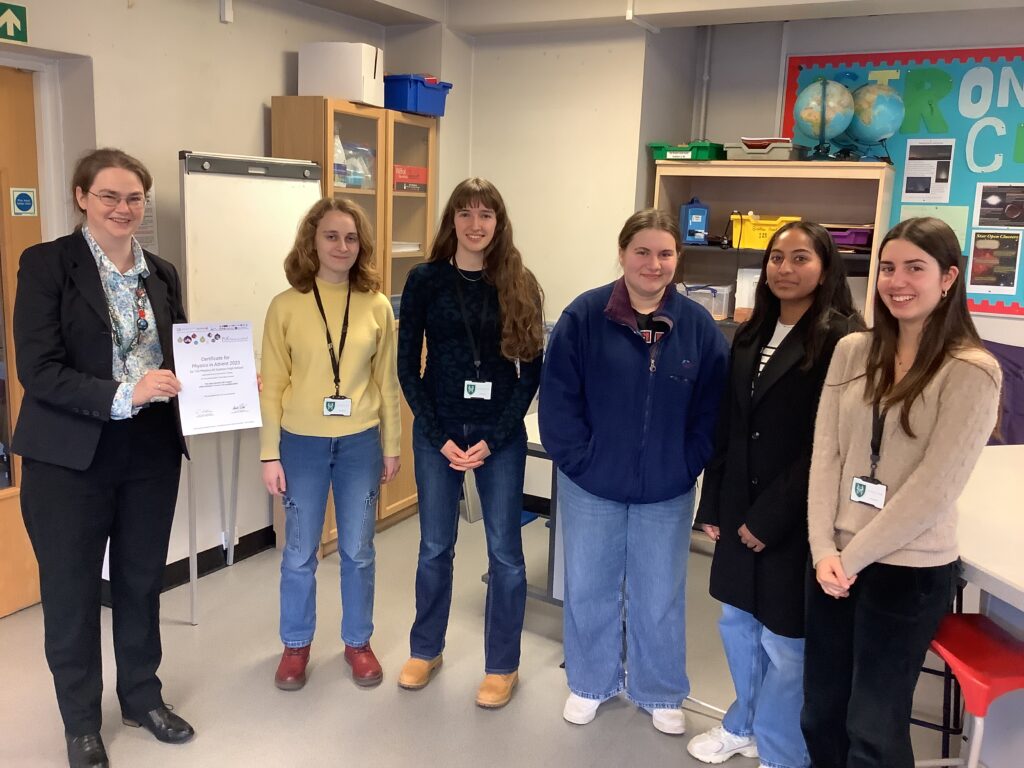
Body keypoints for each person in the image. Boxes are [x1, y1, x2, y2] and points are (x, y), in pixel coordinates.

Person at [13, 148, 194, 768]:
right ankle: (81, 723)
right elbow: (38, 371)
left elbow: (178, 350)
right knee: (71, 592)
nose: (124, 208)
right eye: (110, 196)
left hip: (149, 450)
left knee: (143, 583)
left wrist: (212, 379)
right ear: (82, 197)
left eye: (134, 198)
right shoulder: (45, 266)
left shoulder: (161, 272)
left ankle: (143, 697)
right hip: (68, 456)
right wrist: (125, 392)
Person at [802, 217, 1002, 768]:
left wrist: (850, 558)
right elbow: (827, 455)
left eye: (916, 267)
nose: (897, 280)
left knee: (872, 726)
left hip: (907, 569)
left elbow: (933, 491)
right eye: (887, 267)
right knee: (820, 713)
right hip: (830, 564)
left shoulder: (971, 371)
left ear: (948, 278)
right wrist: (823, 551)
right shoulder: (852, 351)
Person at [539, 208, 729, 733]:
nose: (653, 263)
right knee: (590, 586)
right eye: (642, 251)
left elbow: (713, 411)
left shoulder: (697, 327)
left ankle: (659, 689)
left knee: (660, 591)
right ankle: (590, 682)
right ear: (622, 254)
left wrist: (686, 464)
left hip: (666, 489)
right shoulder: (584, 317)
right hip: (592, 485)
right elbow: (557, 401)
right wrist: (580, 461)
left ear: (677, 258)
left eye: (665, 253)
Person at [687, 222, 863, 767]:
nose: (785, 269)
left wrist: (770, 519)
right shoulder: (749, 332)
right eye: (776, 258)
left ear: (826, 267)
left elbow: (830, 446)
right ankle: (742, 722)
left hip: (799, 518)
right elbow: (729, 424)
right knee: (738, 625)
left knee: (787, 645)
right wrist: (712, 502)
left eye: (800, 258)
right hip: (738, 503)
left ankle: (784, 752)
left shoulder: (845, 340)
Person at [396, 178, 544, 709]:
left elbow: (530, 374)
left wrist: (494, 437)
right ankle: (425, 649)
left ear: (499, 223)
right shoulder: (425, 281)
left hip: (498, 437)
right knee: (435, 547)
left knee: (505, 552)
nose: (475, 224)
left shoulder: (519, 282)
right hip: (438, 431)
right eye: (465, 213)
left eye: (486, 215)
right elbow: (407, 367)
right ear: (451, 221)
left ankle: (502, 666)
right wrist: (438, 437)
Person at [259, 197, 401, 691]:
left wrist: (392, 445)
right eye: (331, 236)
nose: (342, 246)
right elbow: (274, 384)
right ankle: (296, 645)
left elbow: (387, 381)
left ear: (360, 246)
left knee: (359, 551)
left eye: (351, 237)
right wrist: (269, 453)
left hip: (360, 443)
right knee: (300, 551)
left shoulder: (377, 304)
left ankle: (358, 642)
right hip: (301, 446)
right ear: (312, 241)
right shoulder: (286, 305)